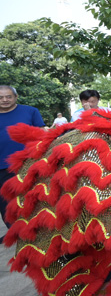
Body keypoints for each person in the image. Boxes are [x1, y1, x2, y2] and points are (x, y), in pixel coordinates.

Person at [0, 85, 45, 240]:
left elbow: (42, 134)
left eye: (8, 96)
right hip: (1, 166)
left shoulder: (31, 111)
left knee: (34, 196)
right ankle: (16, 231)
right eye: (1, 97)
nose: (5, 100)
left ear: (16, 97)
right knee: (5, 201)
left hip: (29, 162)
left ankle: (40, 228)